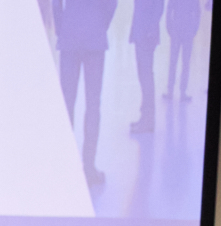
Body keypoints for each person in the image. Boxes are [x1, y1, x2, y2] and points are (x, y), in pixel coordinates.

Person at [55, 0, 119, 186]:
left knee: (66, 103)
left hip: (70, 35)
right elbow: (112, 3)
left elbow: (55, 3)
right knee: (93, 105)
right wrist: (100, 24)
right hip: (95, 37)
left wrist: (61, 27)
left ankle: (65, 165)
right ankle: (89, 168)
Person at [129, 0, 165, 133]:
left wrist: (150, 30)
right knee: (144, 77)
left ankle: (148, 121)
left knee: (146, 78)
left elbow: (159, 7)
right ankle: (145, 117)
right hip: (140, 34)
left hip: (146, 36)